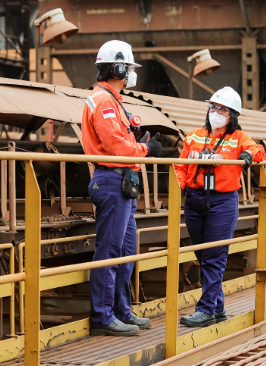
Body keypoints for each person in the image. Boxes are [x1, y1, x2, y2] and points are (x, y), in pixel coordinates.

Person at [82, 40, 162, 336]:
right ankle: (103, 317)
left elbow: (119, 139)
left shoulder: (112, 99)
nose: (130, 73)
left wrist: (138, 143)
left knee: (126, 251)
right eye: (128, 68)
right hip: (112, 179)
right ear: (116, 67)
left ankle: (121, 311)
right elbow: (115, 146)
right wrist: (146, 148)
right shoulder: (103, 101)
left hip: (121, 182)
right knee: (111, 251)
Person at [175, 87, 265, 327]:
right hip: (194, 200)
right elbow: (181, 165)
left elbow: (258, 151)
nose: (216, 112)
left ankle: (205, 310)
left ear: (232, 115)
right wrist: (181, 186)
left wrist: (247, 156)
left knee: (214, 256)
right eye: (213, 107)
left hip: (222, 202)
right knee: (202, 254)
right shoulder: (193, 136)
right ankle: (218, 308)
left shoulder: (238, 138)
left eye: (222, 109)